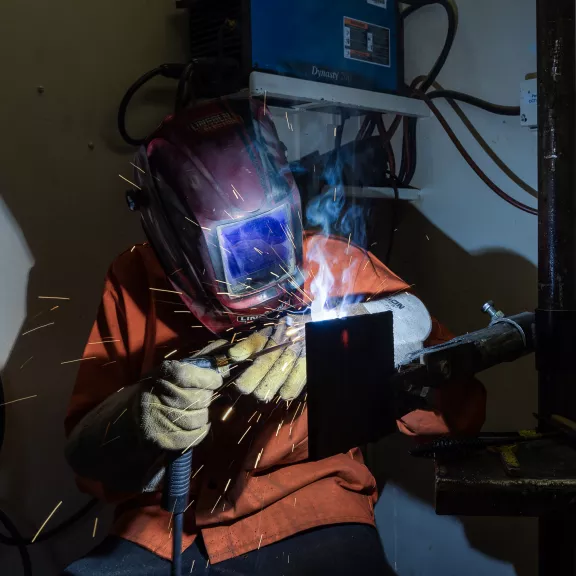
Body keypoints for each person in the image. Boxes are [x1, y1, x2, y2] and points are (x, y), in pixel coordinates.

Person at [62, 97, 485, 575]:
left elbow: (457, 397)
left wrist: (372, 337)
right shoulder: (134, 279)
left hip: (311, 510)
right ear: (177, 235)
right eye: (234, 248)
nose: (258, 260)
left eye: (270, 232)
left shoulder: (333, 263)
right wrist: (140, 416)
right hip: (166, 527)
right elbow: (84, 456)